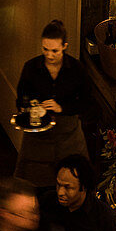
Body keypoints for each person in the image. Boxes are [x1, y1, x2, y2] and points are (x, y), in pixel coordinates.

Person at [15, 20, 94, 187]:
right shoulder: (31, 67)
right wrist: (30, 108)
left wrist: (62, 107)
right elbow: (21, 98)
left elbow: (87, 102)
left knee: (72, 184)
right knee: (34, 186)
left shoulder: (76, 69)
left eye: (55, 51)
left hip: (68, 136)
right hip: (38, 138)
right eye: (45, 49)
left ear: (65, 46)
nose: (49, 55)